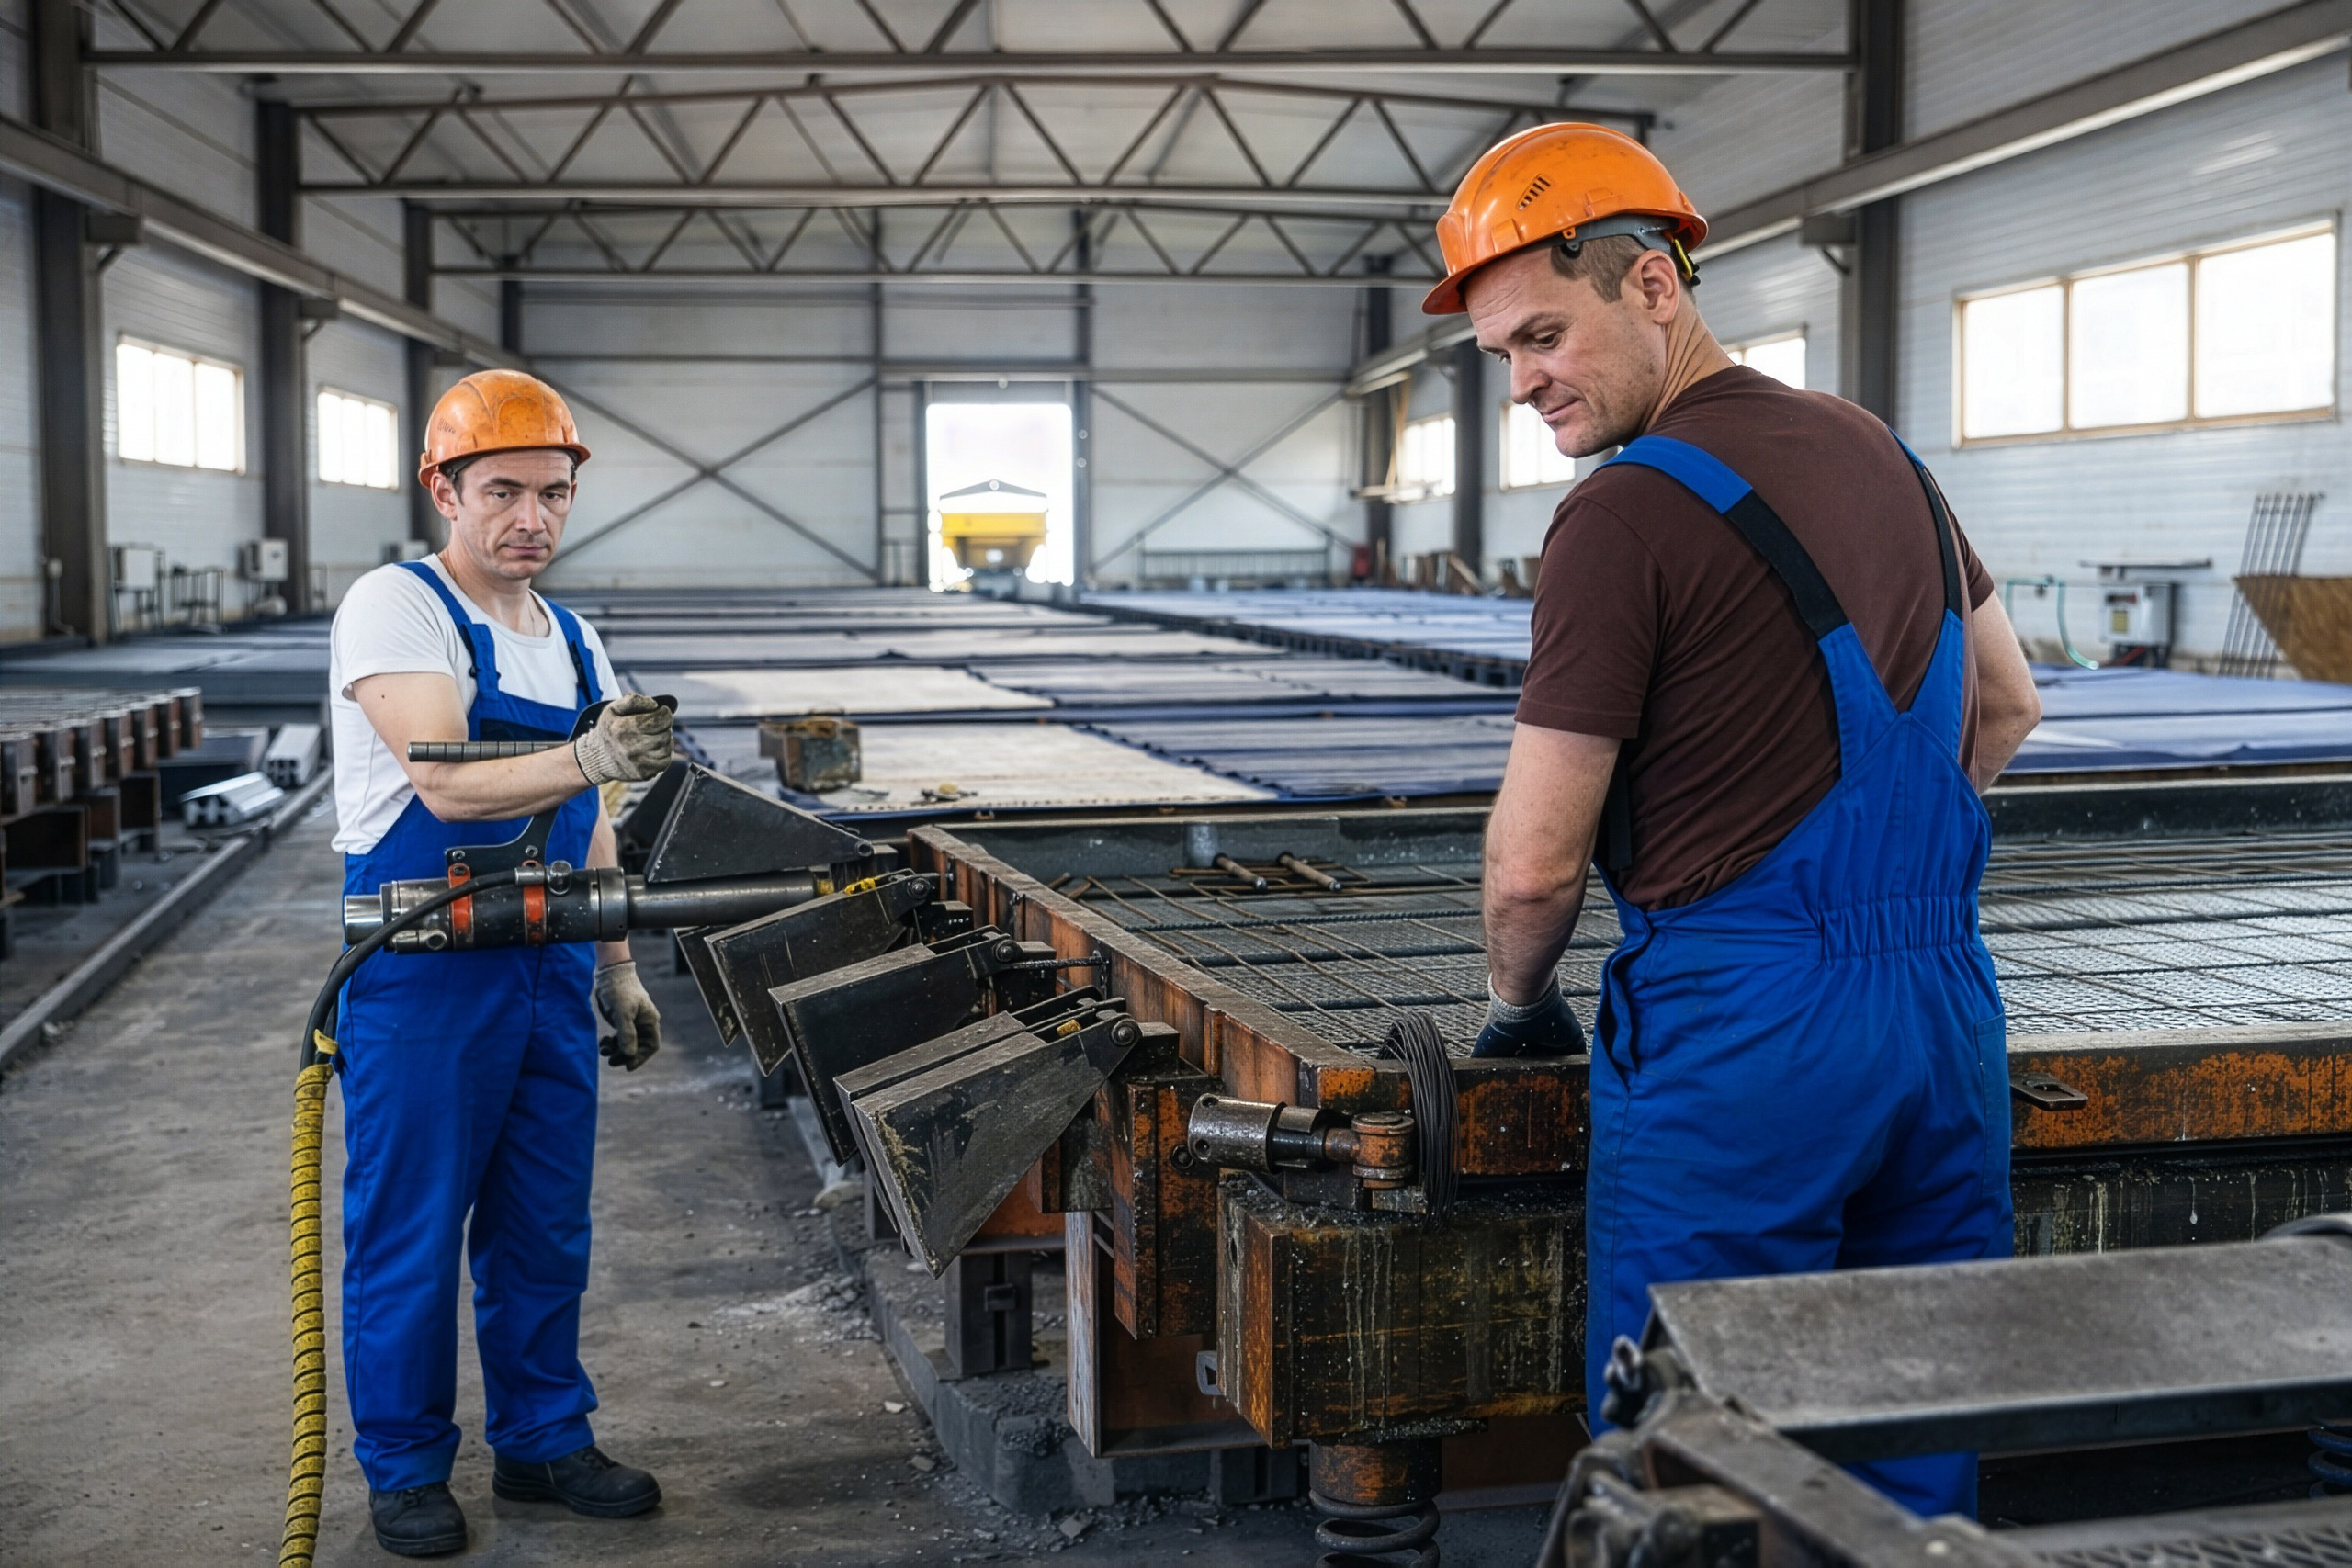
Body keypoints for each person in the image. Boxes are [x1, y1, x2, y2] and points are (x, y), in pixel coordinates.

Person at [1426, 125, 2044, 1517]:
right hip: (1945, 1022)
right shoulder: (1893, 461)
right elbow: (2006, 707)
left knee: (1688, 1447)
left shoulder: (1623, 517)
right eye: (1501, 356)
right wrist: (1890, 882)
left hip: (1745, 1036)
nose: (1525, 383)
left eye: (1544, 336)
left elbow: (1534, 866)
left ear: (1653, 286)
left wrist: (1518, 1008)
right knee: (1913, 1413)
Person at [327, 368, 677, 1556]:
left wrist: (616, 966)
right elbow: (443, 775)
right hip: (422, 969)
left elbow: (595, 820)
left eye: (555, 494)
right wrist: (589, 756)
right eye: (505, 490)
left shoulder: (572, 632)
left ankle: (541, 1439)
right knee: (411, 1228)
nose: (532, 516)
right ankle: (408, 1464)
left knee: (543, 1225)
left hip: (544, 962)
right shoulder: (399, 606)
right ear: (444, 489)